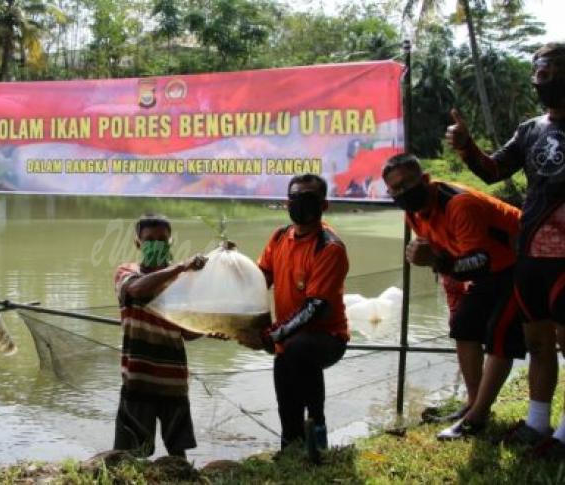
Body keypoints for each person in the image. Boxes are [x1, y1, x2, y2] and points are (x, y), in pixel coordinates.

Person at [446, 42, 565, 454]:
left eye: (547, 74)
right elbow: (494, 170)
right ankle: (536, 424)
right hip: (531, 256)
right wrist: (465, 146)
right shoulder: (531, 129)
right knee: (537, 345)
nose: (539, 82)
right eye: (537, 74)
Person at [381, 153, 525, 440]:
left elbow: (478, 261)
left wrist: (434, 259)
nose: (401, 193)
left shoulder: (459, 204)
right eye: (394, 189)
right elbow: (449, 255)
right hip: (489, 269)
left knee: (499, 335)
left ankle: (478, 416)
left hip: (520, 263)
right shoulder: (413, 212)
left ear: (424, 179)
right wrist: (451, 291)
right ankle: (474, 403)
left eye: (406, 184)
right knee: (463, 326)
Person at [238, 174, 349, 458]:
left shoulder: (329, 247)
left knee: (297, 351)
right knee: (285, 375)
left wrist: (266, 336)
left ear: (324, 205)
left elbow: (315, 308)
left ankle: (317, 428)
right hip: (288, 337)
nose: (300, 203)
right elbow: (261, 278)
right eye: (295, 197)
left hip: (327, 336)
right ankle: (291, 444)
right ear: (287, 203)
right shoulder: (279, 237)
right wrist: (231, 292)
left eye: (309, 198)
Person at [113, 213, 221, 459]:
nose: (156, 244)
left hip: (173, 381)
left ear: (170, 242)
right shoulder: (126, 272)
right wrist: (182, 266)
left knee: (177, 453)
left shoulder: (183, 283)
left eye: (162, 239)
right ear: (138, 243)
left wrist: (211, 329)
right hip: (137, 378)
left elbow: (186, 332)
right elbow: (136, 290)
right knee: (130, 455)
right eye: (149, 239)